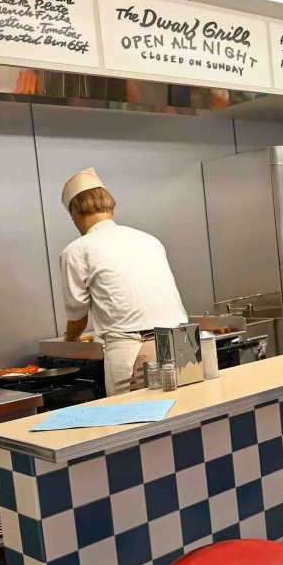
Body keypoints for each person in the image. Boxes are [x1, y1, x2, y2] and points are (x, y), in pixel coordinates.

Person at [59, 168, 188, 396]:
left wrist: (68, 344)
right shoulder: (149, 240)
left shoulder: (78, 250)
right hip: (180, 340)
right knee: (188, 413)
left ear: (76, 215)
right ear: (111, 208)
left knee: (133, 422)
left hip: (133, 349)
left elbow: (77, 316)